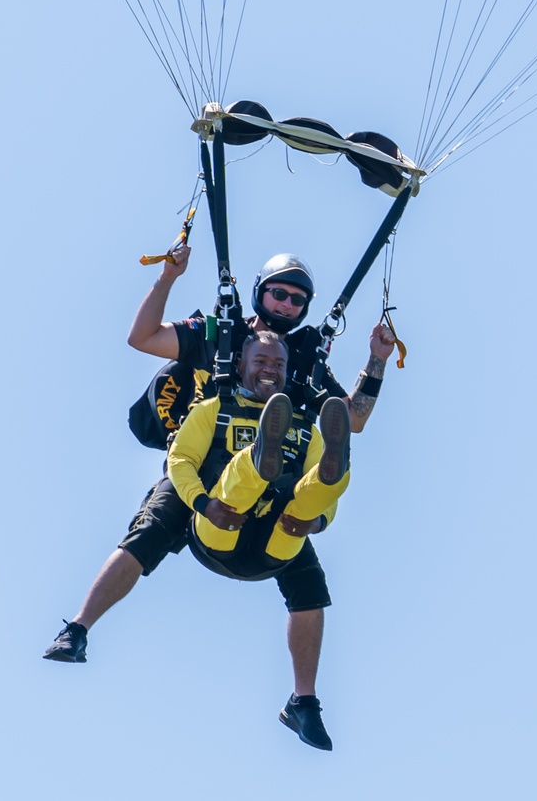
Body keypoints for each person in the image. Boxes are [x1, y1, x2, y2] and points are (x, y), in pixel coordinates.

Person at [44, 246, 395, 742]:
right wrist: (167, 278)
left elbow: (350, 420)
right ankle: (77, 629)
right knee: (149, 533)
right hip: (201, 460)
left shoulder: (302, 360)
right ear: (260, 291)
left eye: (299, 300)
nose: (288, 305)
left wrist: (376, 361)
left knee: (307, 576)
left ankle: (304, 702)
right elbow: (141, 337)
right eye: (280, 293)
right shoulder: (215, 333)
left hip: (271, 481)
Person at [165, 329, 352, 749]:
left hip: (272, 547)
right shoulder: (214, 409)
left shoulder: (307, 430)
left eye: (279, 365)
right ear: (241, 366)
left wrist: (317, 523)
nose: (271, 370)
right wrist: (200, 504)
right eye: (261, 363)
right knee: (236, 490)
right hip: (219, 533)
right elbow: (179, 460)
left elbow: (323, 513)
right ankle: (259, 459)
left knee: (306, 505)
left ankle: (334, 469)